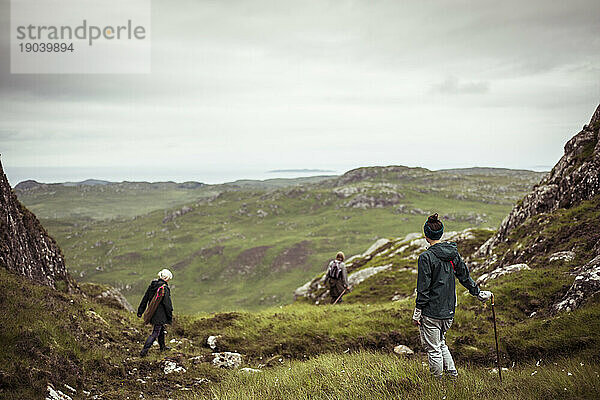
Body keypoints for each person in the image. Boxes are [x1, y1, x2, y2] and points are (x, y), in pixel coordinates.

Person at [412, 213, 492, 379]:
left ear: (426, 236)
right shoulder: (453, 254)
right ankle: (452, 375)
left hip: (431, 311)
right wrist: (477, 293)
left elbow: (423, 287)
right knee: (441, 343)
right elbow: (464, 276)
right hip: (449, 310)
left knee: (433, 348)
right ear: (441, 233)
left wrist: (417, 312)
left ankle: (436, 382)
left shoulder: (426, 257)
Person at [137, 268, 174, 357]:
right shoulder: (164, 288)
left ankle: (163, 347)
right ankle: (143, 352)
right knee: (155, 333)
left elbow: (145, 299)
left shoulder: (152, 286)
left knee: (161, 330)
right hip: (160, 315)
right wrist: (170, 316)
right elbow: (167, 304)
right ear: (166, 278)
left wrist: (140, 311)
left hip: (152, 313)